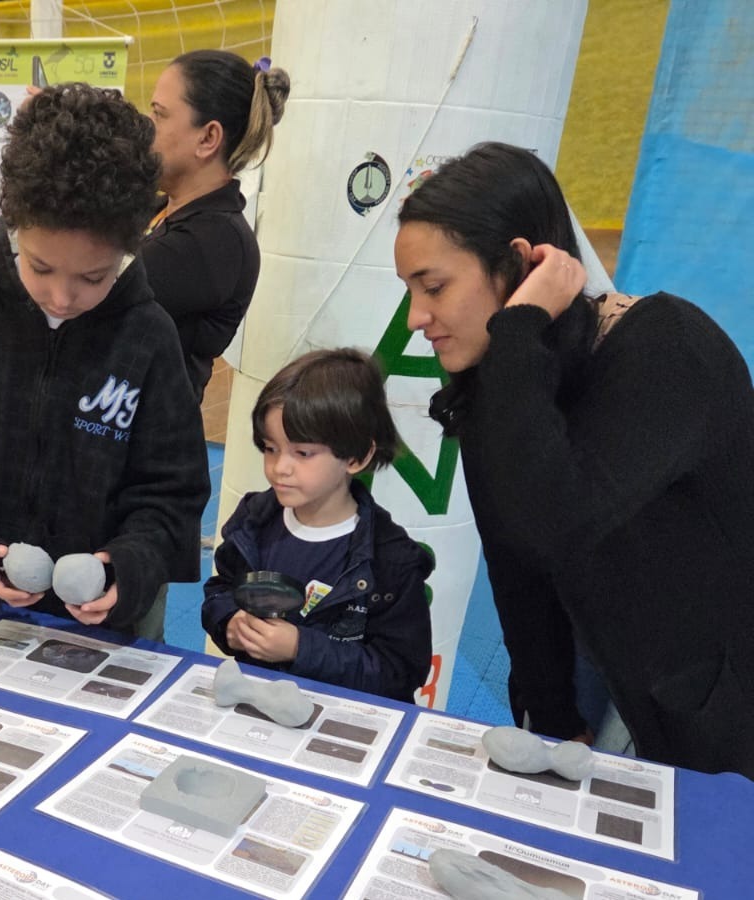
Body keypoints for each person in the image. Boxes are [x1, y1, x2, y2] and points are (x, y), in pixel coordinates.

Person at [395, 141, 754, 776]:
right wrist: (553, 715)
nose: (417, 317)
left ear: (517, 265)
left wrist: (519, 326)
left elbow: (556, 519)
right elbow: (518, 568)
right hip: (608, 659)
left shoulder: (667, 351)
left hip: (715, 698)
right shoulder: (504, 378)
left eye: (434, 287)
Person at [0, 83, 210, 639]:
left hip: (101, 631)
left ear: (127, 251)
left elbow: (170, 493)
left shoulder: (147, 335)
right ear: (14, 224)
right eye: (40, 267)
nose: (61, 298)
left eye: (92, 277)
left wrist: (127, 566)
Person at [201, 348, 433, 702]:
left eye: (303, 453)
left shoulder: (391, 559)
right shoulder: (254, 521)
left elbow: (399, 671)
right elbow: (220, 589)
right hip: (257, 709)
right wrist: (229, 621)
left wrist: (300, 647)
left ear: (357, 457)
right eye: (270, 448)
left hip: (340, 725)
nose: (280, 467)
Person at [142, 50, 290, 402]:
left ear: (208, 138)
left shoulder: (215, 241)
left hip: (147, 448)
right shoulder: (163, 208)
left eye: (159, 115)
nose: (146, 128)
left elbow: (90, 285)